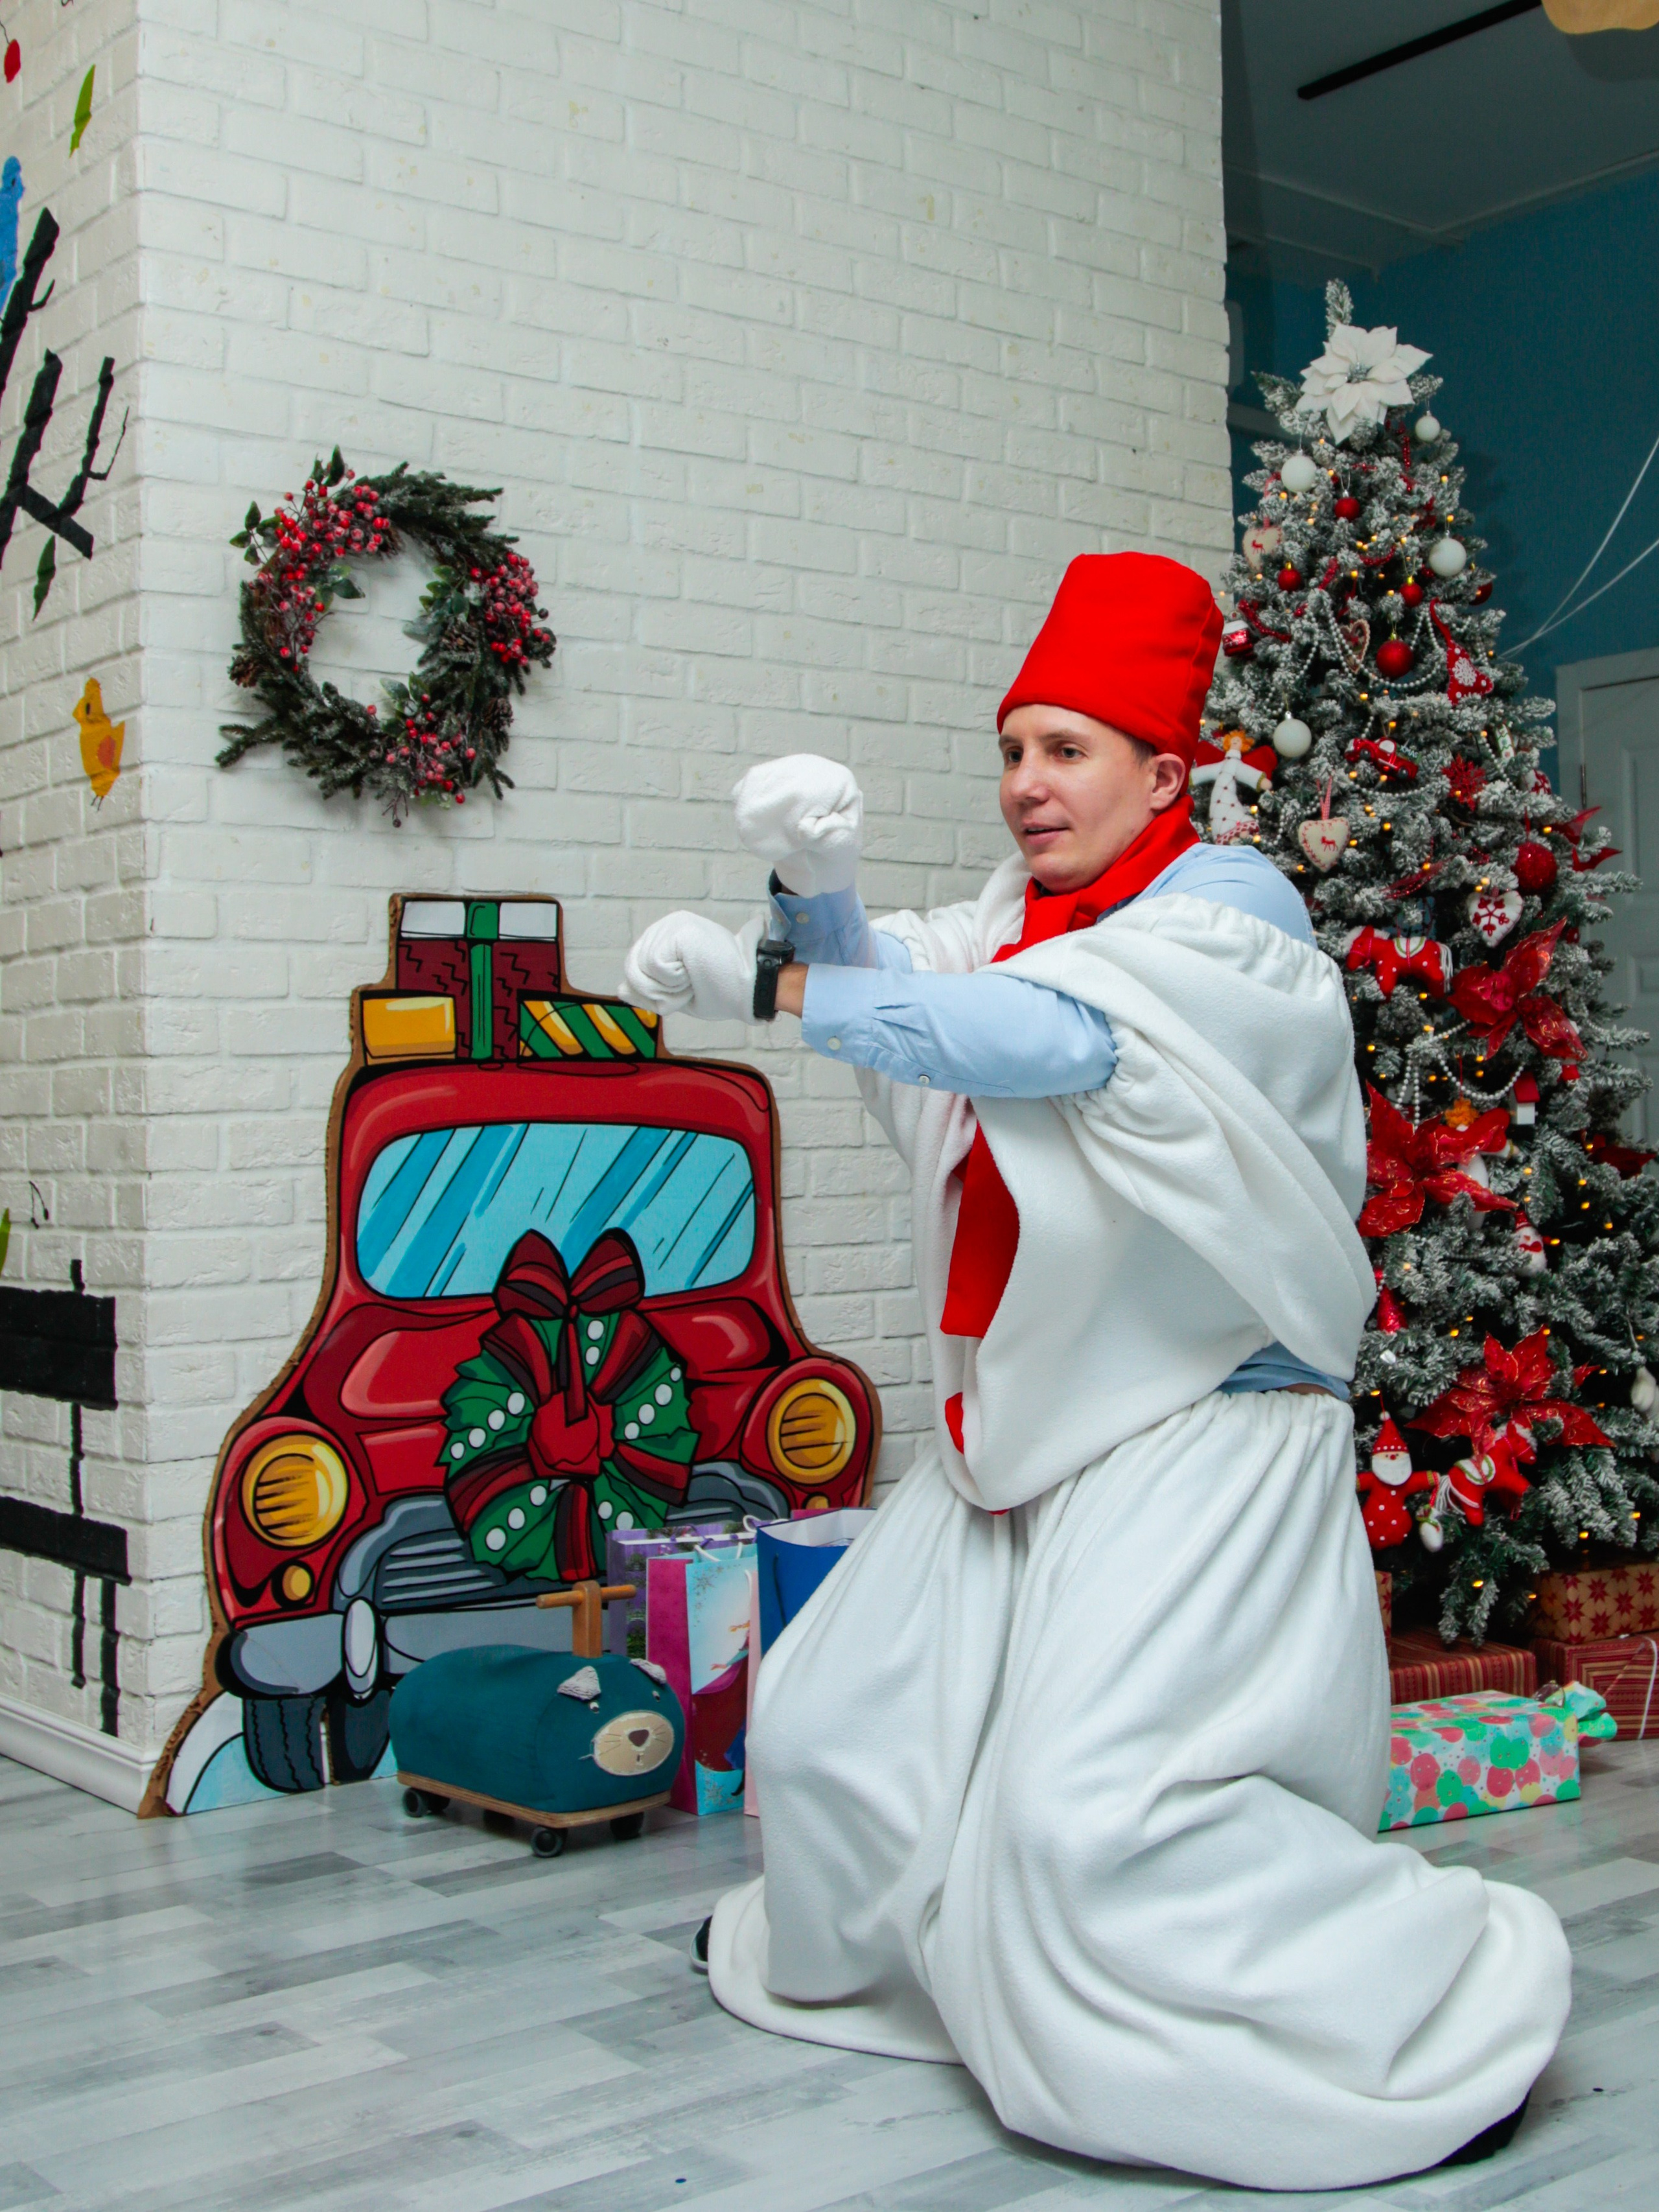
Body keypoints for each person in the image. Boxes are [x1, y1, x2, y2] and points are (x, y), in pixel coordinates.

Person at [622, 552, 1570, 2192]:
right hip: (1036, 1426)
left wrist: (775, 982)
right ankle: (916, 1957)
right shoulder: (1015, 922)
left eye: (1065, 751)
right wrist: (813, 876)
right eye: (1011, 750)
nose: (1024, 786)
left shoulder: (1230, 914)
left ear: (1163, 771)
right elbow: (924, 994)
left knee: (1090, 1823)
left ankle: (1424, 1997)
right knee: (833, 1724)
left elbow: (1042, 1042)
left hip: (1204, 1427)